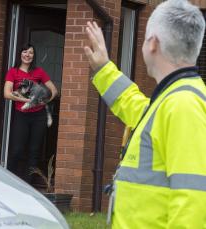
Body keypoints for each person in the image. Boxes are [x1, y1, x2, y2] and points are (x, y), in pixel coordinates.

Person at [83, 0, 206, 228]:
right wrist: (104, 68)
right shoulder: (174, 99)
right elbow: (136, 107)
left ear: (153, 43)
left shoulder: (183, 104)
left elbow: (194, 203)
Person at [4, 43, 58, 184]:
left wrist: (43, 101)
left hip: (38, 116)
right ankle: (7, 180)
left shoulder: (39, 72)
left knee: (34, 151)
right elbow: (7, 94)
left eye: (31, 53)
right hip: (21, 115)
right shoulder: (13, 72)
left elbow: (54, 90)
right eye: (25, 52)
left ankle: (29, 184)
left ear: (34, 56)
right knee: (17, 150)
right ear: (20, 54)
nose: (27, 55)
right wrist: (24, 99)